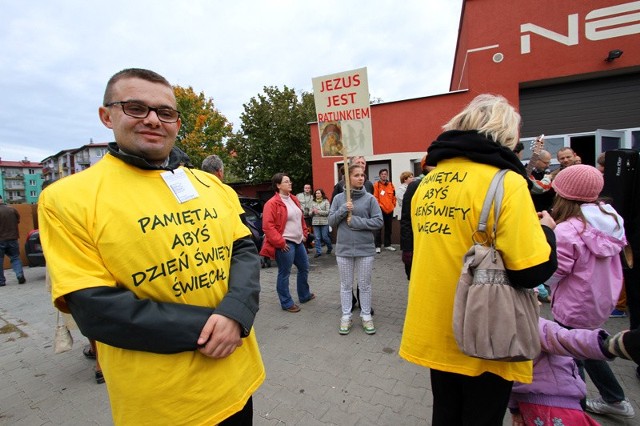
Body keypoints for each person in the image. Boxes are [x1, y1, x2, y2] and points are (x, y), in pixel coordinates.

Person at [38, 68, 265, 425]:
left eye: (165, 112)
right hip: (161, 404)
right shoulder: (66, 198)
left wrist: (236, 312)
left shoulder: (211, 185)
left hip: (237, 380)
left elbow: (243, 250)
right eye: (136, 108)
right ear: (106, 115)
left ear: (176, 122)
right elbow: (93, 307)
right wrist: (215, 326)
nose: (153, 120)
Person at [399, 94, 558, 426]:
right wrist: (547, 231)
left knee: (444, 412)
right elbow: (532, 270)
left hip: (435, 325)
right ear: (505, 134)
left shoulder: (425, 183)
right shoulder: (507, 182)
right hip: (486, 329)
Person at [547, 164, 634, 419]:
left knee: (572, 357)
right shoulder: (610, 217)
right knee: (589, 347)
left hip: (573, 304)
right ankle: (614, 398)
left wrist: (538, 281)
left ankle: (576, 408)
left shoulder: (567, 230)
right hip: (600, 299)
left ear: (563, 194)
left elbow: (555, 271)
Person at [509, 318, 620, 426]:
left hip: (528, 406)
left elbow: (506, 377)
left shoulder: (502, 328)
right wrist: (608, 345)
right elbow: (567, 339)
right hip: (557, 407)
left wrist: (514, 408)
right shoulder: (533, 323)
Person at [328, 164, 383, 335]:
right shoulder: (338, 199)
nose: (361, 178)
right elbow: (331, 221)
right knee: (346, 285)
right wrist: (344, 210)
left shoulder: (370, 199)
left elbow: (378, 221)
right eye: (357, 175)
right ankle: (346, 316)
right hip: (344, 250)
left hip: (365, 249)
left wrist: (357, 222)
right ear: (348, 178)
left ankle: (366, 316)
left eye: (362, 175)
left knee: (364, 285)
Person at [260, 173, 315, 313]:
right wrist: (280, 242)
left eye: (290, 181)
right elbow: (268, 226)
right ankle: (286, 302)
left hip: (298, 242)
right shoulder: (272, 203)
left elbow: (300, 218)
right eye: (286, 181)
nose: (290, 183)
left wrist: (304, 233)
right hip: (285, 244)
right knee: (285, 273)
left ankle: (304, 295)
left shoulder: (294, 199)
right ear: (278, 185)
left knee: (304, 267)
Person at [400, 155, 433, 280]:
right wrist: (407, 248)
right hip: (417, 242)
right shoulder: (415, 186)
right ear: (425, 167)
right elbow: (406, 218)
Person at [0, 195, 26, 286]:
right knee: (15, 257)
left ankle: (1, 281)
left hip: (0, 240)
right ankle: (19, 275)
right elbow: (18, 221)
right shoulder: (12, 210)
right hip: (13, 238)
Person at [373, 169, 396, 253]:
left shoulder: (390, 184)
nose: (384, 175)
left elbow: (394, 196)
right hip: (380, 209)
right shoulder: (376, 185)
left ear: (387, 175)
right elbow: (375, 197)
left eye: (385, 174)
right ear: (380, 175)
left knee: (389, 228)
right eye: (382, 174)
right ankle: (377, 246)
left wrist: (393, 205)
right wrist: (380, 206)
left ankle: (388, 245)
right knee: (378, 228)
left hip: (390, 209)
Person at [310, 188, 332, 257]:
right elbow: (310, 213)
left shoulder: (326, 201)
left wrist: (318, 212)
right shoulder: (313, 202)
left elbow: (328, 212)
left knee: (325, 237)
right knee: (317, 237)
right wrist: (312, 212)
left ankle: (330, 247)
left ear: (322, 194)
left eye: (319, 193)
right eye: (316, 193)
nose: (317, 194)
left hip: (324, 221)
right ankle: (318, 252)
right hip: (315, 222)